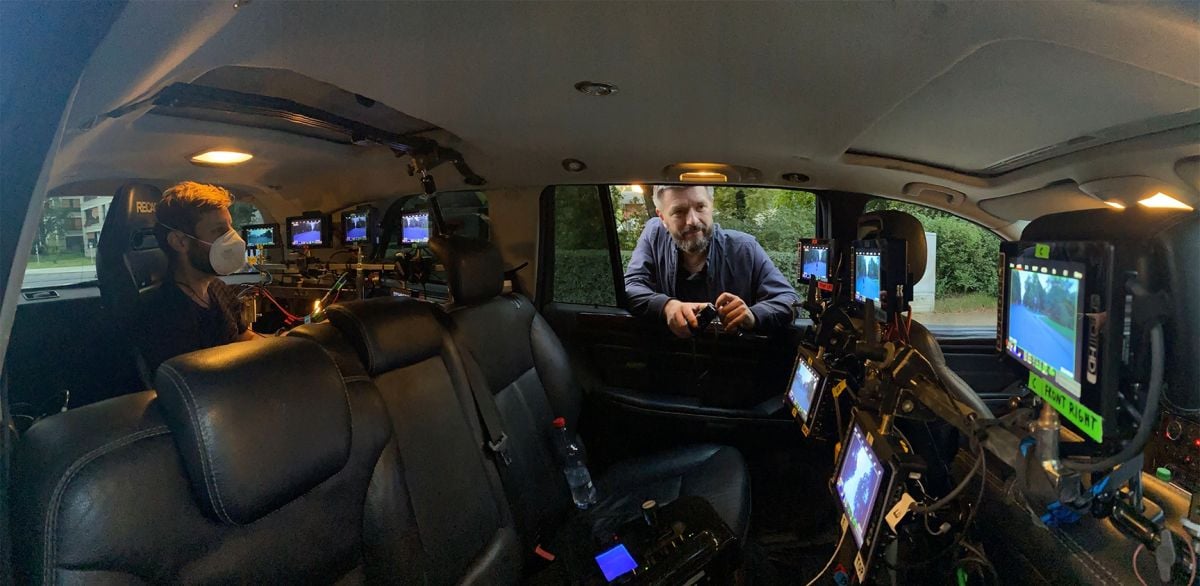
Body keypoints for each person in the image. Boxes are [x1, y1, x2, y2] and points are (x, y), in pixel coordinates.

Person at [624, 185, 799, 338]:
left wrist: (753, 315)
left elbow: (789, 300)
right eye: (679, 211)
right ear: (662, 218)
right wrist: (667, 306)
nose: (692, 221)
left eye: (700, 207)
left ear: (711, 205)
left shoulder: (745, 248)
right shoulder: (653, 236)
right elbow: (631, 287)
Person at [133, 181, 258, 374]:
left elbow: (244, 337)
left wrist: (286, 344)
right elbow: (195, 384)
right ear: (180, 242)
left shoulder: (218, 287)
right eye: (218, 231)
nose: (233, 238)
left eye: (230, 228)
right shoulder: (162, 315)